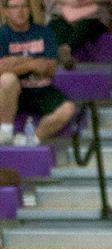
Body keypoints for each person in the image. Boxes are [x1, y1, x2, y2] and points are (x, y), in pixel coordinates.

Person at [0, 0, 76, 145]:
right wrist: (32, 63)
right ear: (6, 11)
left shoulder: (44, 32)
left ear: (30, 9)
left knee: (68, 109)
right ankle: (5, 131)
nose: (20, 11)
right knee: (7, 79)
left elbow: (50, 68)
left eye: (24, 6)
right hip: (15, 92)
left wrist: (14, 61)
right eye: (15, 7)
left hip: (42, 88)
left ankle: (31, 139)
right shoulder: (2, 35)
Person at [43, 0, 112, 70]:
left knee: (88, 24)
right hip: (61, 13)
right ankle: (64, 55)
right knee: (56, 24)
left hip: (94, 15)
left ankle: (66, 49)